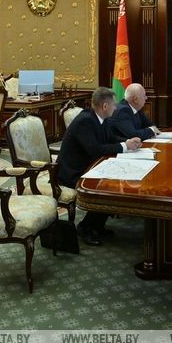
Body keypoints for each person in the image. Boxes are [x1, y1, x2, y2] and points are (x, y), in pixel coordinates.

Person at [58, 87, 142, 246]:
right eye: (114, 104)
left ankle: (97, 225)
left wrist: (128, 141)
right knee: (108, 187)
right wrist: (125, 146)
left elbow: (110, 138)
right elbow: (94, 149)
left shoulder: (100, 117)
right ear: (105, 106)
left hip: (89, 166)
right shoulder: (85, 121)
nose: (116, 108)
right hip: (73, 173)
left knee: (116, 182)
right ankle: (85, 227)